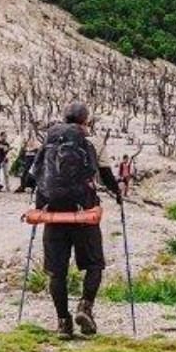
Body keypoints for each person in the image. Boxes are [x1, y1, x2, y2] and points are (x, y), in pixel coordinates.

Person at [30, 101, 117, 339]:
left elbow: (34, 174)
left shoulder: (49, 140)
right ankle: (85, 306)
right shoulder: (92, 142)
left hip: (54, 214)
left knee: (56, 272)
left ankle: (62, 323)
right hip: (84, 214)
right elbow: (106, 175)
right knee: (95, 264)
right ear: (85, 120)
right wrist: (118, 193)